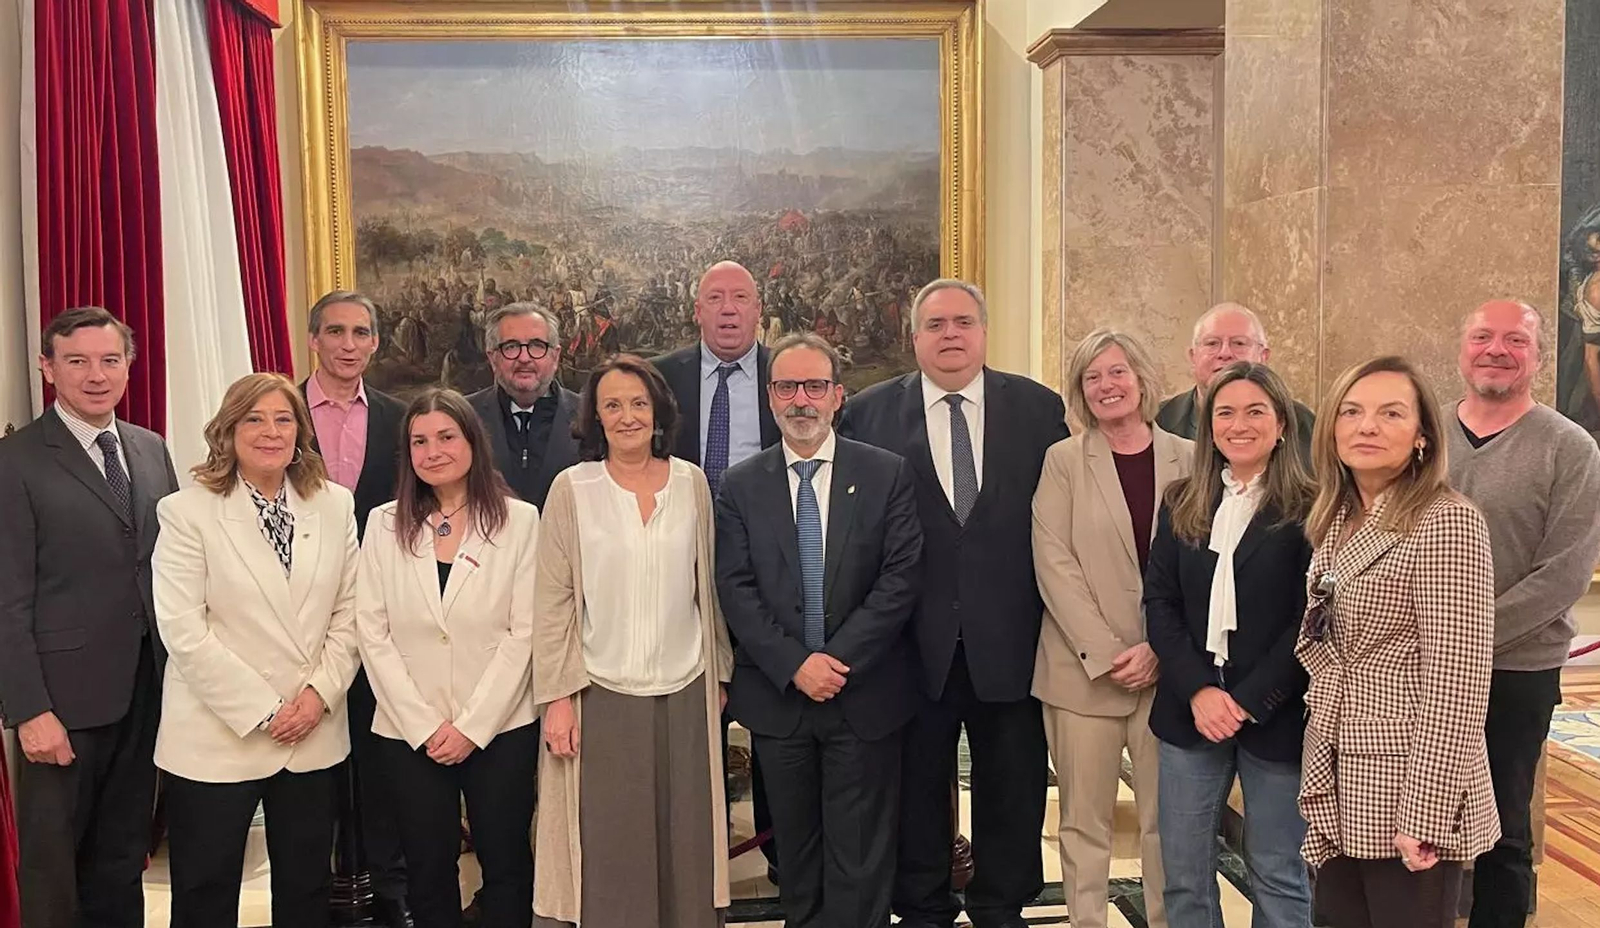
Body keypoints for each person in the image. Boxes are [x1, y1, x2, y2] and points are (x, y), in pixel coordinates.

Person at [838, 279, 1068, 928]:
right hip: (910, 646)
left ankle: (1001, 905)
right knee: (914, 788)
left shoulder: (1037, 409)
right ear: (914, 337)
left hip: (1012, 641)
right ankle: (922, 906)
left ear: (983, 331)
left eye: (963, 321)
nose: (950, 335)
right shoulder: (869, 414)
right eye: (935, 324)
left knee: (1014, 785)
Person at [716, 334, 924, 928]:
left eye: (814, 386)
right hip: (780, 701)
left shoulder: (886, 474)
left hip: (865, 694)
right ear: (770, 397)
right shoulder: (741, 485)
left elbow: (900, 579)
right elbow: (736, 588)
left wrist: (835, 661)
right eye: (786, 387)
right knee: (795, 855)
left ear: (837, 396)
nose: (800, 400)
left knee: (861, 856)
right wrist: (796, 665)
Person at [152, 373, 362, 928]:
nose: (270, 432)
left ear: (301, 431)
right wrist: (267, 711)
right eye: (254, 418)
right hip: (218, 733)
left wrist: (317, 696)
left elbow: (352, 613)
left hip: (312, 734)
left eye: (284, 419)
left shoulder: (335, 505)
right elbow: (183, 630)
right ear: (228, 430)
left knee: (308, 890)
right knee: (205, 893)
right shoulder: (186, 512)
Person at [1297, 355, 1500, 928]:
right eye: (1352, 412)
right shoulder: (1336, 518)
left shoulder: (1446, 521)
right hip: (1339, 766)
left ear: (1422, 437)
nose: (1367, 426)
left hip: (1407, 784)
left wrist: (1427, 814)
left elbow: (1458, 685)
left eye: (1391, 413)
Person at [532, 355, 732, 928]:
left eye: (638, 404)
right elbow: (554, 602)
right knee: (611, 844)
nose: (627, 417)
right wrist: (558, 699)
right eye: (612, 405)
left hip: (685, 690)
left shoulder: (691, 483)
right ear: (594, 416)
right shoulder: (572, 489)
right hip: (601, 692)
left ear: (658, 410)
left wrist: (717, 673)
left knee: (685, 842)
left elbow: (707, 587)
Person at [0, 307, 180, 928]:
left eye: (110, 360)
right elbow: (6, 596)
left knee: (123, 858)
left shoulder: (151, 449)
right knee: (54, 869)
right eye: (77, 361)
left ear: (129, 365)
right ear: (49, 369)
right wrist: (27, 710)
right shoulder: (15, 461)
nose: (95, 375)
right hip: (60, 707)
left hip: (144, 692)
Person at [357, 388, 540, 928]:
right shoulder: (383, 523)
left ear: (471, 442)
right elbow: (372, 633)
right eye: (419, 441)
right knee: (426, 865)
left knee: (506, 861)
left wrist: (472, 726)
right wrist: (424, 724)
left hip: (499, 727)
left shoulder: (520, 520)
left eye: (445, 437)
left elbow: (524, 633)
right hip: (409, 731)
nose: (432, 451)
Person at [1143, 362, 1314, 928]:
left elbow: (1309, 620)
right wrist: (1198, 690)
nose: (1239, 424)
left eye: (1255, 411)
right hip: (1190, 711)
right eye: (1225, 412)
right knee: (1185, 874)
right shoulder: (1181, 500)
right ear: (1208, 425)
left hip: (1277, 714)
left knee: (1277, 873)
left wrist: (1245, 701)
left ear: (1282, 423)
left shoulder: (1312, 507)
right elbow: (1161, 604)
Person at [1447, 300, 1600, 928]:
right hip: (1415, 666)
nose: (1497, 350)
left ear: (1537, 356)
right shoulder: (1421, 433)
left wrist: (1466, 639)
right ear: (1462, 348)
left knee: (1504, 828)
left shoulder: (1571, 448)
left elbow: (1563, 574)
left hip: (1516, 672)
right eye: (1483, 336)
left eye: (1516, 340)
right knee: (1409, 818)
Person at [1032, 328, 1192, 928]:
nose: (1107, 385)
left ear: (1142, 379)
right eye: (1092, 376)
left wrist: (1159, 649)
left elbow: (1201, 569)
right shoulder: (1063, 461)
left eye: (1117, 371)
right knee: (1083, 822)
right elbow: (1053, 563)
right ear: (1080, 391)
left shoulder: (1192, 457)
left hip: (1169, 674)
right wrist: (1108, 652)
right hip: (1083, 675)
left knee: (1165, 822)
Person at [650, 259, 782, 880]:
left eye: (741, 298)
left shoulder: (789, 378)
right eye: (715, 298)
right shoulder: (662, 380)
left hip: (772, 577)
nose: (728, 309)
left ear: (760, 310)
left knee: (777, 731)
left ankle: (784, 860)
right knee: (689, 732)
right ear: (696, 310)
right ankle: (689, 869)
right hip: (677, 578)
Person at [299, 288, 411, 928]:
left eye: (360, 333)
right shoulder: (278, 412)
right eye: (335, 332)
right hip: (299, 613)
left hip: (380, 612)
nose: (348, 345)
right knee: (312, 768)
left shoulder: (399, 417)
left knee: (377, 760)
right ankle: (322, 897)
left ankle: (385, 896)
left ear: (375, 342)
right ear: (313, 339)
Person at [1156, 303, 1315, 463]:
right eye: (1212, 343)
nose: (1224, 353)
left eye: (1239, 343)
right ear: (1193, 356)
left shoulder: (1302, 423)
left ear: (1263, 356)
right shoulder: (1159, 420)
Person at [467, 303, 579, 509]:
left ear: (555, 357)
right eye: (511, 346)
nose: (524, 358)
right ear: (493, 358)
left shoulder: (589, 415)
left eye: (537, 345)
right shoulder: (463, 417)